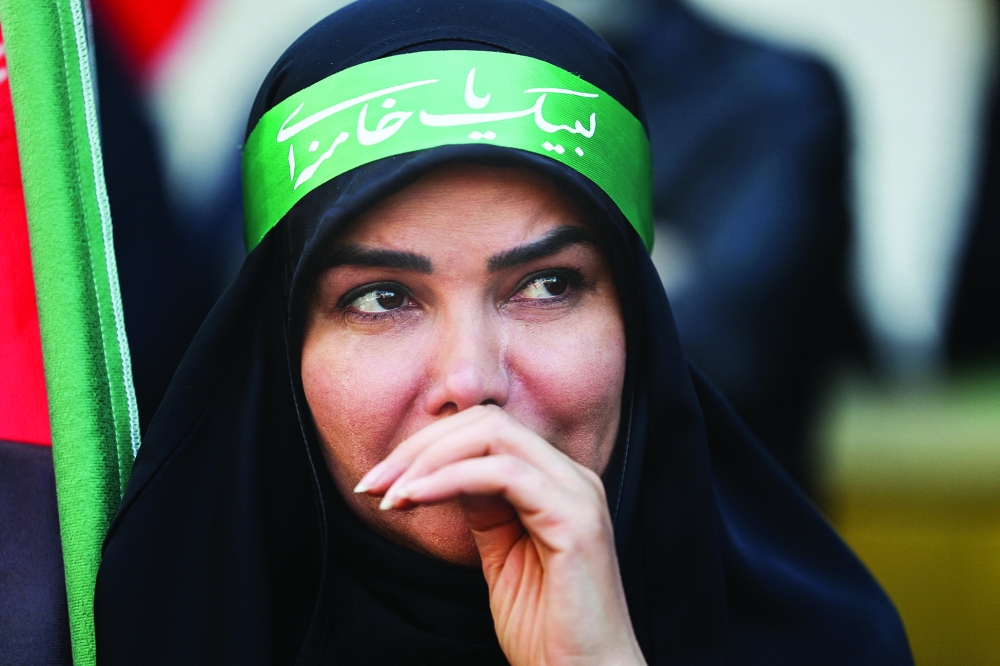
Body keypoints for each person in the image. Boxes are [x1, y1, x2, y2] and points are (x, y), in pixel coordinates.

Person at [94, 1, 914, 664]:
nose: (472, 377)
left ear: (641, 326)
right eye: (382, 298)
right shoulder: (129, 638)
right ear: (279, 347)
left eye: (547, 286)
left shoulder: (826, 643)